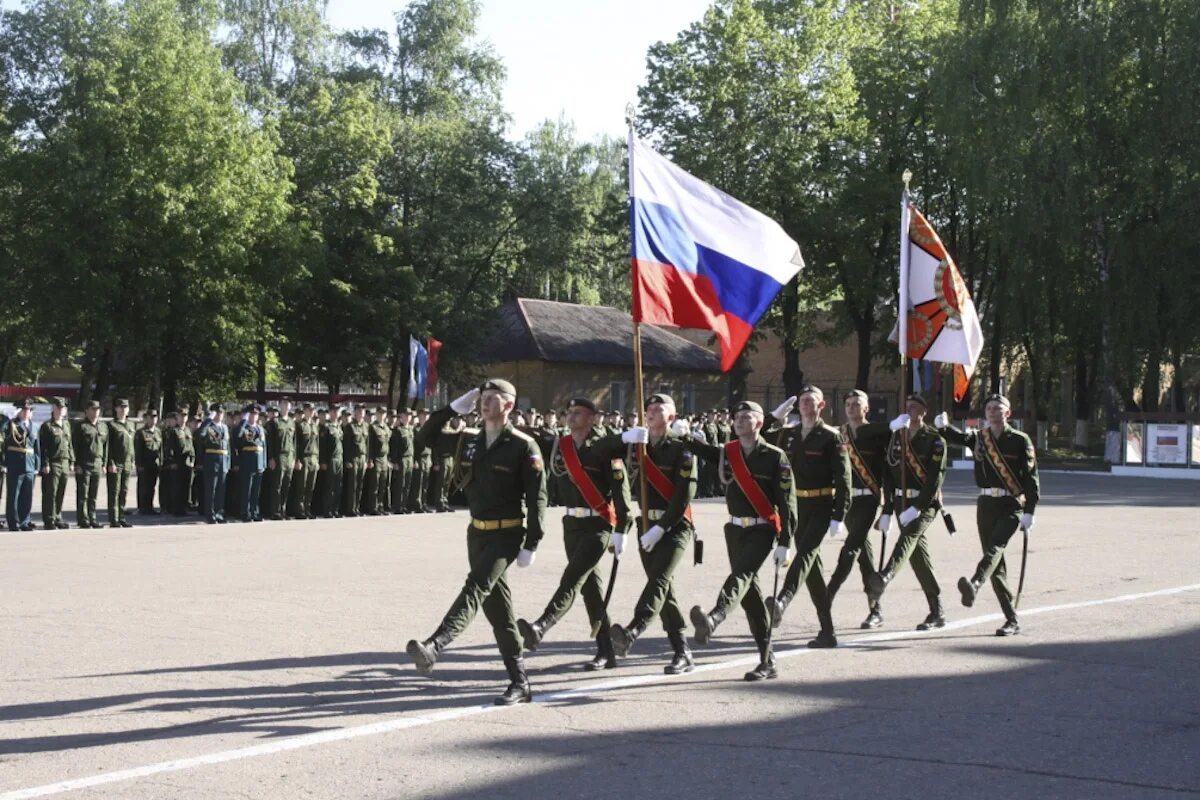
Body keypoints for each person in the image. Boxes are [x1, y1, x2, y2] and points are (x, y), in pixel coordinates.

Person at [405, 380, 547, 706]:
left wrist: (532, 542)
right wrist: (452, 409)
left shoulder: (523, 446)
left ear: (509, 405)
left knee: (475, 587)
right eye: (482, 398)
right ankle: (520, 682)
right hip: (477, 533)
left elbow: (538, 499)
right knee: (499, 611)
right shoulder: (469, 440)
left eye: (493, 398)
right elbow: (423, 438)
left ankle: (435, 645)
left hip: (507, 534)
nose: (485, 403)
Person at [517, 397, 636, 671]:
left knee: (571, 578)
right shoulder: (563, 445)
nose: (571, 417)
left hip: (599, 525)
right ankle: (607, 652)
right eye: (569, 413)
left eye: (578, 413)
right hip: (571, 525)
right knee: (590, 590)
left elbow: (621, 491)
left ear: (593, 418)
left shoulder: (608, 448)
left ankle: (541, 626)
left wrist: (622, 529)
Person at [685, 400, 797, 681]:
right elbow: (701, 449)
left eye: (747, 417)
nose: (739, 420)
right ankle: (767, 660)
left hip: (762, 529)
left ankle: (714, 618)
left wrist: (785, 542)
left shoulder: (775, 457)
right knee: (751, 598)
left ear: (759, 423)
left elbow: (787, 504)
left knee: (741, 575)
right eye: (737, 416)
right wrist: (681, 433)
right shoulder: (729, 452)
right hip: (734, 531)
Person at [935, 394, 1040, 636]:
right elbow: (957, 437)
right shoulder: (980, 437)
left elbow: (1031, 478)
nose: (992, 411)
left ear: (1008, 413)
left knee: (995, 548)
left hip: (1011, 503)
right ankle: (1011, 619)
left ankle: (975, 583)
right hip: (986, 503)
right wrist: (943, 426)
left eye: (997, 408)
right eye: (989, 408)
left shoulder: (1020, 441)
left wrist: (1030, 512)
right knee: (995, 563)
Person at [610, 393, 698, 675]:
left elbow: (683, 496)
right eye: (648, 408)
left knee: (659, 580)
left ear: (671, 417)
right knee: (663, 590)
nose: (651, 411)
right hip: (646, 526)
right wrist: (624, 437)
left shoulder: (681, 451)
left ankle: (633, 631)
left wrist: (662, 528)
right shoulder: (638, 446)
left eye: (659, 409)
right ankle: (682, 650)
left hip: (674, 527)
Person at [760, 386, 849, 647]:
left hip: (821, 503)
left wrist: (839, 514)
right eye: (802, 401)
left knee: (805, 554)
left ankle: (782, 600)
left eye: (811, 401)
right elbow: (758, 436)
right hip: (796, 505)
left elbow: (844, 478)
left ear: (821, 406)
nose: (805, 405)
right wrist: (773, 418)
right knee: (813, 571)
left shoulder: (831, 437)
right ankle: (827, 631)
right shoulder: (789, 434)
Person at [866, 394, 949, 630]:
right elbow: (889, 474)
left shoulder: (935, 440)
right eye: (907, 407)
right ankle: (937, 611)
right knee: (918, 558)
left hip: (925, 504)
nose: (910, 410)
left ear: (924, 411)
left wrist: (918, 507)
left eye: (915, 408)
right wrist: (887, 510)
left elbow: (935, 479)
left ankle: (886, 575)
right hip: (902, 503)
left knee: (909, 537)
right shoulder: (897, 437)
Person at [826, 390, 891, 629]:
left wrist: (888, 509)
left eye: (857, 404)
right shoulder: (839, 434)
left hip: (868, 500)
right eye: (849, 404)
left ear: (867, 409)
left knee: (851, 547)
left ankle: (828, 594)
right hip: (846, 501)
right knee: (864, 557)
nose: (852, 407)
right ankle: (876, 609)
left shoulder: (876, 435)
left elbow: (888, 472)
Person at [5, 398, 40, 531]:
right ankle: (13, 523)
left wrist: (37, 465)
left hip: (30, 465)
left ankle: (25, 521)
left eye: (29, 410)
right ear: (19, 411)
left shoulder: (34, 427)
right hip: (15, 465)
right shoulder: (11, 425)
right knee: (14, 495)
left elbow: (37, 449)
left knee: (27, 495)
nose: (26, 412)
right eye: (24, 409)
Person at [38, 397, 74, 529]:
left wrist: (72, 460)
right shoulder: (47, 426)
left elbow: (69, 444)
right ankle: (49, 519)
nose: (61, 410)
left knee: (60, 492)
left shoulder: (67, 425)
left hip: (64, 462)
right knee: (50, 493)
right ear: (53, 408)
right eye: (58, 407)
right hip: (53, 463)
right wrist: (45, 463)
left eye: (63, 408)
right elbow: (44, 447)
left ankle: (58, 517)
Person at [73, 400, 107, 529]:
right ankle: (83, 519)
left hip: (97, 464)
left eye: (97, 409)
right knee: (83, 494)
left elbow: (105, 446)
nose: (95, 412)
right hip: (84, 464)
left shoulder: (103, 426)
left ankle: (92, 518)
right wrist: (76, 463)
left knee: (93, 494)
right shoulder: (81, 426)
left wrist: (104, 462)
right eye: (93, 409)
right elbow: (75, 446)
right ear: (87, 411)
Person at [196, 403, 231, 524]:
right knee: (211, 489)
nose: (220, 415)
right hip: (212, 460)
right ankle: (210, 514)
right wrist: (208, 420)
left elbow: (228, 447)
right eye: (217, 413)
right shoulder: (208, 426)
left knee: (221, 489)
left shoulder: (225, 427)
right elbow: (200, 435)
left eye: (221, 413)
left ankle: (219, 513)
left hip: (223, 460)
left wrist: (228, 463)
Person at [233, 404, 267, 522]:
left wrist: (264, 462)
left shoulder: (260, 428)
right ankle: (245, 512)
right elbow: (237, 436)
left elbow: (264, 446)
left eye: (256, 414)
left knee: (256, 490)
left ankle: (254, 511)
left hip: (258, 462)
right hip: (247, 461)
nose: (254, 416)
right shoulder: (244, 427)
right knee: (246, 489)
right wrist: (243, 421)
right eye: (252, 414)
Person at [104, 399, 136, 528]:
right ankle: (114, 518)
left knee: (123, 491)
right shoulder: (112, 425)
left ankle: (122, 517)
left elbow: (132, 446)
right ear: (116, 409)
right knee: (114, 491)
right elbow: (108, 446)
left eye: (125, 407)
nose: (123, 410)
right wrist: (110, 462)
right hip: (116, 462)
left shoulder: (130, 425)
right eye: (120, 407)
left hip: (127, 462)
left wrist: (133, 460)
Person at [264, 397, 296, 520]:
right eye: (283, 403)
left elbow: (294, 442)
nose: (286, 405)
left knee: (286, 485)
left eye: (288, 404)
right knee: (277, 485)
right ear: (280, 405)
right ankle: (275, 511)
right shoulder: (275, 422)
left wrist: (294, 458)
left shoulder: (292, 422)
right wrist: (271, 457)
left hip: (289, 456)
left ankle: (283, 509)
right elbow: (270, 441)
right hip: (279, 456)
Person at [342, 405, 370, 517]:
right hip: (353, 458)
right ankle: (350, 509)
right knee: (352, 485)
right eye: (358, 411)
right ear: (355, 413)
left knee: (360, 485)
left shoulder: (366, 426)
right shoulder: (350, 427)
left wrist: (367, 460)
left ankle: (357, 507)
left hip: (362, 458)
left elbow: (367, 444)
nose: (361, 413)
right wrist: (347, 460)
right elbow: (346, 445)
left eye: (362, 411)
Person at [316, 406, 343, 518]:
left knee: (337, 486)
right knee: (329, 487)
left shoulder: (338, 427)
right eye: (334, 411)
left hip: (339, 458)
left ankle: (335, 509)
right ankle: (327, 510)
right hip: (330, 459)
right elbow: (322, 446)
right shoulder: (326, 427)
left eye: (337, 412)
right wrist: (322, 461)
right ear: (330, 413)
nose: (336, 414)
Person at [133, 409, 162, 515]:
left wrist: (161, 461)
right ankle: (142, 507)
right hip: (144, 464)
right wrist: (139, 464)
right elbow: (138, 449)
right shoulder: (141, 432)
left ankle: (149, 507)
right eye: (151, 417)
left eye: (155, 417)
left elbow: (161, 449)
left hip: (155, 463)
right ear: (146, 418)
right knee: (143, 486)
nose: (153, 419)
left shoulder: (158, 432)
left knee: (152, 486)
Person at [365, 406, 391, 515]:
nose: (382, 415)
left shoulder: (386, 428)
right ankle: (373, 507)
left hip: (384, 459)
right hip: (376, 459)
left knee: (383, 485)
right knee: (374, 485)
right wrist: (370, 459)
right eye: (380, 413)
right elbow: (369, 445)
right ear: (376, 414)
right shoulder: (373, 427)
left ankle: (380, 506)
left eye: (384, 413)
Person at [388, 407, 414, 515]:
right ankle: (397, 506)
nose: (407, 417)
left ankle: (404, 505)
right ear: (401, 417)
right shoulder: (398, 430)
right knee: (400, 484)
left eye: (409, 415)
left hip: (410, 458)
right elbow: (394, 448)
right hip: (402, 459)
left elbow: (413, 446)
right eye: (405, 415)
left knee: (407, 484)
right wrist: (395, 462)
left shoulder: (410, 429)